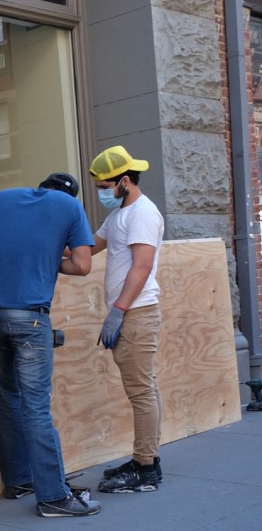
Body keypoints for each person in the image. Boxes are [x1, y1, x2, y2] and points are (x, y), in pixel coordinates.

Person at [0, 173, 102, 518]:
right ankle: (52, 497)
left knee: (7, 399)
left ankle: (18, 480)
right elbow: (82, 264)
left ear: (41, 186)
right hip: (29, 320)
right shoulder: (70, 207)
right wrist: (49, 259)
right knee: (35, 408)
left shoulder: (5, 197)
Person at [88, 145, 165, 493]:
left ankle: (146, 467)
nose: (102, 193)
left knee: (140, 391)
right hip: (129, 312)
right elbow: (90, 246)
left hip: (136, 312)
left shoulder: (142, 214)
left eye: (105, 186)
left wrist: (118, 310)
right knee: (144, 388)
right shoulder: (119, 213)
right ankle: (145, 458)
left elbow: (143, 266)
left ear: (123, 181)